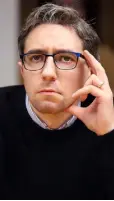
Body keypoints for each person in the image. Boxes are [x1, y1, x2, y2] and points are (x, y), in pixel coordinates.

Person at [0, 3, 114, 199]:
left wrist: (108, 133)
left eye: (65, 58)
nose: (48, 73)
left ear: (90, 71)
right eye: (36, 58)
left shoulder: (109, 118)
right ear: (22, 71)